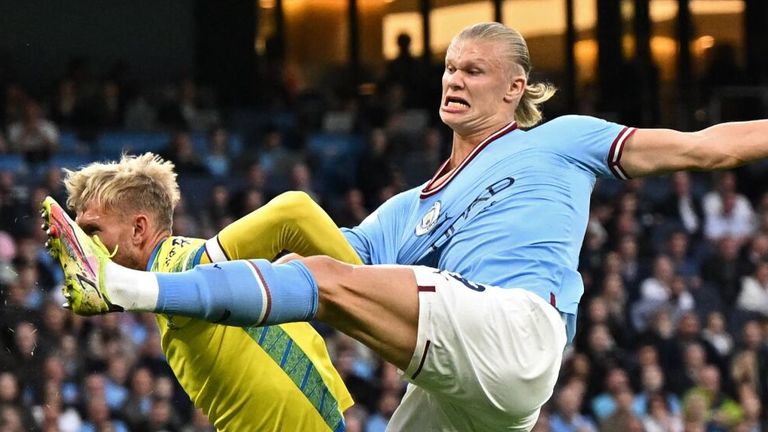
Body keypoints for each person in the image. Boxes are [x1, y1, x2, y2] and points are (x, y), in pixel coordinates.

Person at [46, 21, 768, 431]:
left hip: (519, 328)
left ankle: (128, 294)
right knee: (324, 278)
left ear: (516, 87)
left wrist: (146, 274)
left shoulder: (563, 138)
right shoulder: (407, 209)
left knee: (320, 280)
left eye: (476, 71)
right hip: (472, 390)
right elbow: (323, 268)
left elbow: (708, 148)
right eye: (451, 68)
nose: (455, 80)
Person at [44, 153, 357, 431]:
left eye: (91, 232)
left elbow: (294, 210)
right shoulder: (180, 274)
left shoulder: (178, 266)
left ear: (139, 229)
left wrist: (379, 292)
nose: (83, 247)